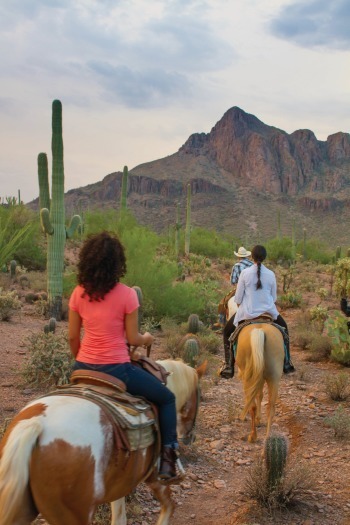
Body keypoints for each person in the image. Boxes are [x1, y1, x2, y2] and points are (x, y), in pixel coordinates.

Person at [68, 231, 181, 482]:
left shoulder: (78, 293)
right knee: (167, 398)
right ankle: (168, 458)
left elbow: (73, 337)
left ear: (88, 260)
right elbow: (132, 339)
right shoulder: (127, 294)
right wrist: (148, 338)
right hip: (117, 370)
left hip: (82, 367)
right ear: (117, 263)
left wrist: (83, 362)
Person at [233, 245, 295, 374]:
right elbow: (274, 298)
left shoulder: (244, 273)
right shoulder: (271, 274)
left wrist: (242, 306)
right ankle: (287, 362)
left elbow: (238, 298)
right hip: (268, 313)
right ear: (265, 258)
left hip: (248, 314)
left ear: (252, 257)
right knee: (285, 330)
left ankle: (228, 365)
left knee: (228, 332)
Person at [220, 246, 253, 378]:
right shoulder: (252, 264)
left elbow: (233, 281)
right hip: (254, 294)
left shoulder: (237, 265)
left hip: (240, 291)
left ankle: (222, 322)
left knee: (223, 302)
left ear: (239, 256)